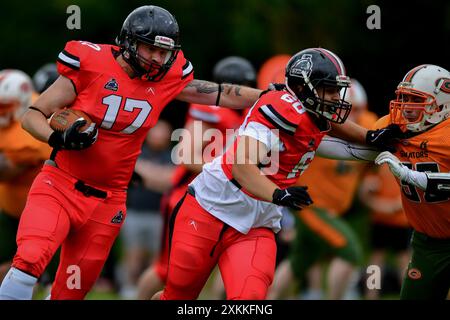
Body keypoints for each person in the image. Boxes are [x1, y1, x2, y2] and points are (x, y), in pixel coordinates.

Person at [0, 5, 262, 300]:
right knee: (30, 259)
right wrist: (58, 139)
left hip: (109, 201)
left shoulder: (167, 78)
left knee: (70, 292)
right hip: (60, 184)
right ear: (129, 43)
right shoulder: (91, 63)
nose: (158, 59)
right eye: (150, 49)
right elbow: (32, 114)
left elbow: (219, 93)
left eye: (165, 52)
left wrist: (268, 97)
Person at [154, 48, 399, 300]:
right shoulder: (280, 108)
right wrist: (278, 194)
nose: (337, 98)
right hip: (211, 210)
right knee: (177, 297)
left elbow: (336, 133)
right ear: (304, 88)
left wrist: (370, 137)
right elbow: (241, 166)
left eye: (338, 90)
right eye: (330, 90)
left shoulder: (311, 113)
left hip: (257, 223)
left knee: (249, 301)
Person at [136, 56, 256, 299]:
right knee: (167, 270)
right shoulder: (210, 112)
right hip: (188, 197)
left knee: (216, 268)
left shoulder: (244, 116)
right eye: (242, 87)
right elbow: (187, 157)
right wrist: (233, 174)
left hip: (221, 201)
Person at [267, 79, 378, 300]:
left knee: (299, 261)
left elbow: (372, 156)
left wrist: (370, 177)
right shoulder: (317, 125)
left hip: (333, 209)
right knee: (350, 251)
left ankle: (269, 300)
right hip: (311, 206)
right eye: (346, 108)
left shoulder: (368, 125)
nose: (351, 115)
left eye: (357, 109)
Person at [371, 64, 450, 300]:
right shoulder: (392, 128)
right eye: (403, 98)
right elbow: (351, 147)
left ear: (441, 104)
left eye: (415, 99)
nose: (405, 107)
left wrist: (411, 176)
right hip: (428, 242)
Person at [0, 70, 52, 283]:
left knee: (20, 265)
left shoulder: (29, 133)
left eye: (5, 107)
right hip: (9, 202)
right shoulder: (17, 104)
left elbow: (5, 171)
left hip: (30, 206)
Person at [359, 163, 411, 299]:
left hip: (401, 222)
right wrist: (382, 206)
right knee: (376, 260)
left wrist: (392, 207)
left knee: (404, 260)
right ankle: (371, 295)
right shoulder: (376, 165)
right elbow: (364, 195)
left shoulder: (405, 164)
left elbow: (405, 198)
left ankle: (408, 294)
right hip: (379, 221)